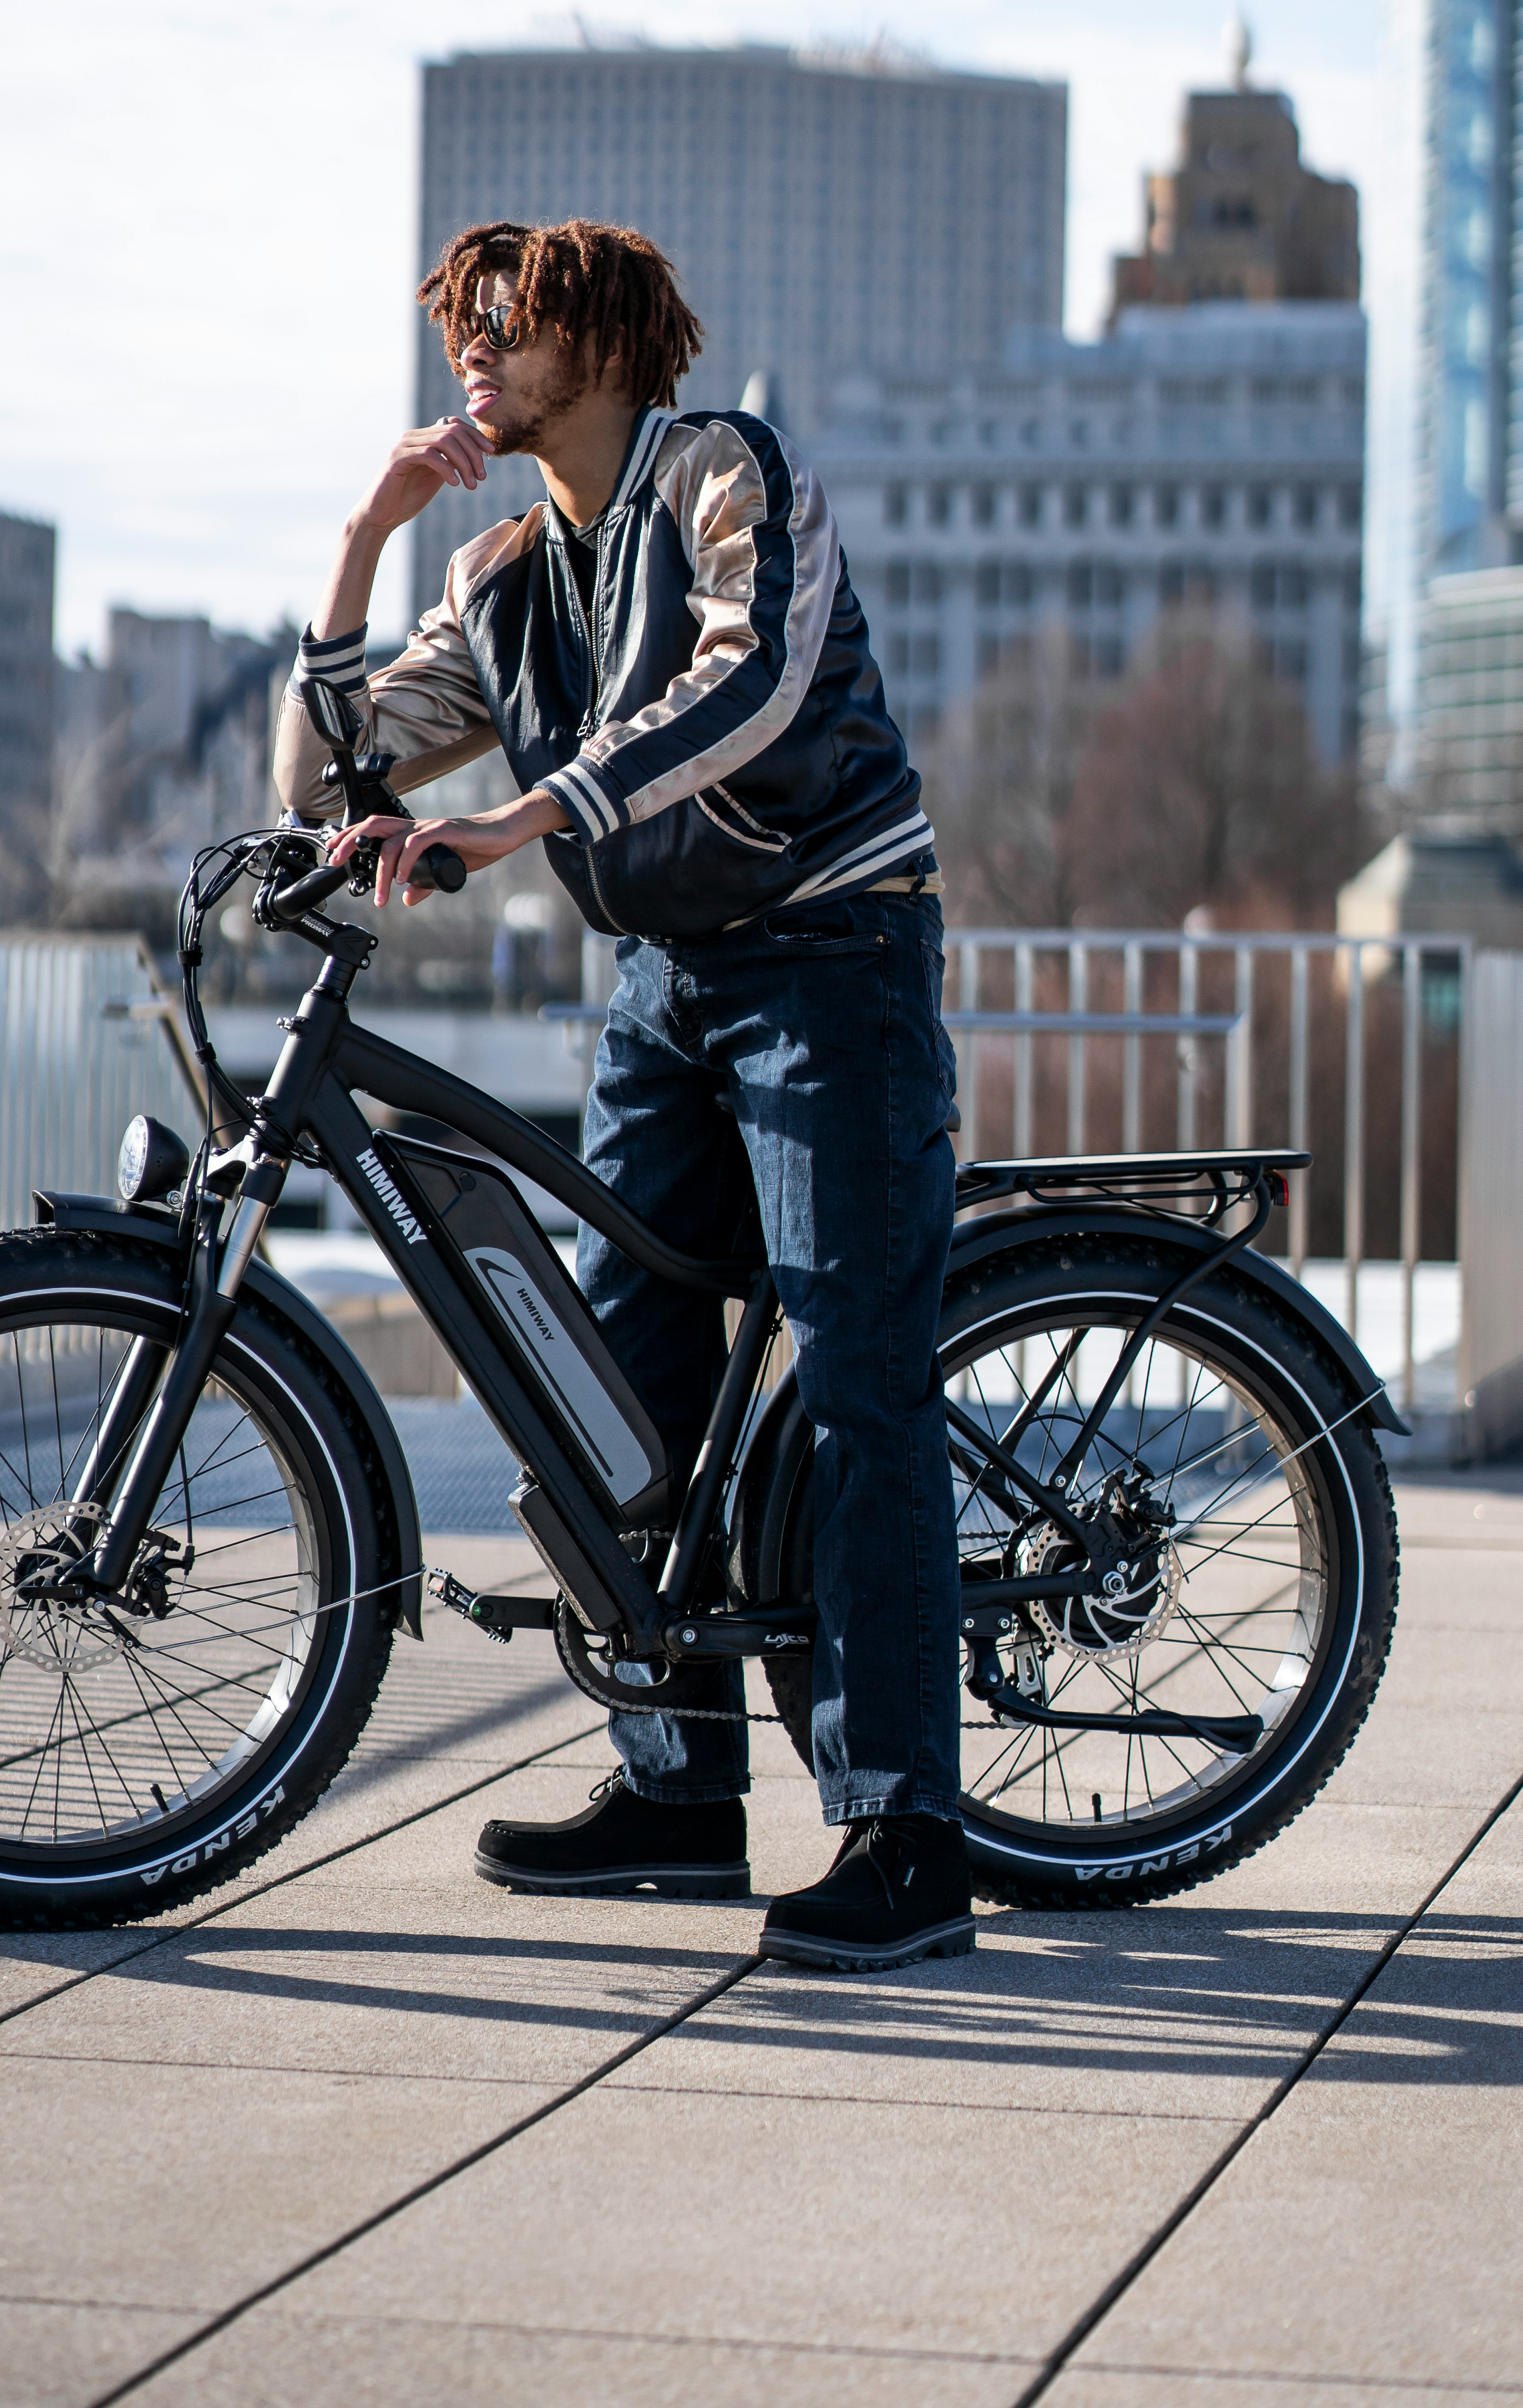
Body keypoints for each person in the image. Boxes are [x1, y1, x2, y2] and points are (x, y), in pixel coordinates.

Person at [274, 217, 969, 1972]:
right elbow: (329, 771)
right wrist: (362, 545)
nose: (474, 360)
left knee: (865, 1379)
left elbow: (746, 685)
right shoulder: (504, 573)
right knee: (611, 1387)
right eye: (463, 334)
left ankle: (906, 1831)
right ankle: (677, 1793)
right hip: (665, 986)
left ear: (600, 339)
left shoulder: (730, 472)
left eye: (503, 329)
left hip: (830, 957)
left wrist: (526, 815)